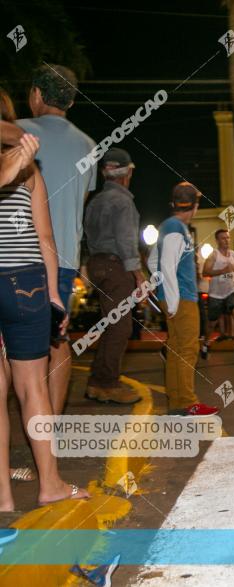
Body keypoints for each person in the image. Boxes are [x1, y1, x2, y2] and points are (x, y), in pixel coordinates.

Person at [0, 88, 89, 508]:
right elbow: (46, 237)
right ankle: (49, 484)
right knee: (32, 387)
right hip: (27, 283)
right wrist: (54, 295)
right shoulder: (29, 168)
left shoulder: (24, 164)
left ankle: (2, 498)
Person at [5, 65, 98, 415]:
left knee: (11, 347)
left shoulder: (17, 133)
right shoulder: (89, 146)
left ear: (36, 96)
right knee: (57, 343)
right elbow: (79, 206)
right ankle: (50, 429)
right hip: (62, 261)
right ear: (71, 102)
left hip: (16, 258)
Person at [149, 183, 218, 416]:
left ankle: (178, 402)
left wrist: (162, 291)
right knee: (188, 349)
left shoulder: (169, 226)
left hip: (176, 295)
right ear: (195, 206)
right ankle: (188, 401)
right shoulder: (176, 228)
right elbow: (167, 264)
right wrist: (173, 299)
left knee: (176, 349)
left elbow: (153, 261)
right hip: (182, 297)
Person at [82, 148, 142, 404]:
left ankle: (97, 381)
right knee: (121, 326)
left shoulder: (94, 201)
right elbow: (126, 242)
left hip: (96, 263)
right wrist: (138, 274)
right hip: (115, 266)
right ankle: (107, 383)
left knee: (111, 324)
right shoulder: (123, 202)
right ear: (127, 173)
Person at [203, 229, 234, 359]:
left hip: (231, 290)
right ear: (217, 241)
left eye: (228, 238)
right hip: (216, 294)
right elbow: (205, 272)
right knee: (212, 323)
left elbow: (233, 269)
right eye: (223, 238)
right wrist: (222, 271)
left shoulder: (233, 254)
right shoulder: (214, 255)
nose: (226, 240)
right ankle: (206, 343)